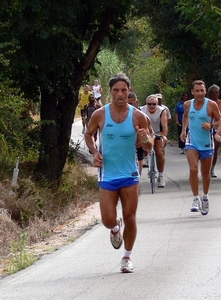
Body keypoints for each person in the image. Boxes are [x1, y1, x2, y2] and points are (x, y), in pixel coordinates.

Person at [84, 73, 153, 273]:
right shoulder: (100, 114)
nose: (120, 94)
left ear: (129, 91)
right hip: (107, 174)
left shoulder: (139, 117)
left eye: (124, 90)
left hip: (130, 174)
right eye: (116, 90)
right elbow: (88, 135)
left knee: (130, 216)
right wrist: (95, 152)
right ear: (110, 92)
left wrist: (146, 138)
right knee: (107, 220)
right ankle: (115, 228)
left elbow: (149, 147)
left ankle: (127, 257)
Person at [180, 80, 221, 215]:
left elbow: (220, 121)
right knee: (193, 169)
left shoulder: (211, 105)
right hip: (192, 141)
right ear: (192, 92)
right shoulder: (187, 104)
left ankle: (205, 196)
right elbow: (186, 117)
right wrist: (184, 130)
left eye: (202, 90)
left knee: (205, 173)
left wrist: (211, 125)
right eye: (197, 91)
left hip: (207, 143)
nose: (199, 93)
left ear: (205, 91)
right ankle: (195, 198)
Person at [140, 94, 169, 188]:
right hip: (146, 133)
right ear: (146, 104)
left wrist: (164, 136)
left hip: (157, 133)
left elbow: (164, 125)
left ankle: (161, 176)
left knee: (159, 153)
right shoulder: (141, 110)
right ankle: (145, 158)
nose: (152, 106)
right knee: (141, 146)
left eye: (154, 104)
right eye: (149, 104)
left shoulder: (162, 111)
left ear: (157, 104)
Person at [127, 92, 154, 176]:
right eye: (126, 103)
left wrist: (146, 139)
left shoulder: (143, 116)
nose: (128, 106)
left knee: (136, 176)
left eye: (130, 103)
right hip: (124, 148)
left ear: (136, 102)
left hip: (139, 146)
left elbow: (151, 134)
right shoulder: (119, 116)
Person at [207, 84, 221, 178]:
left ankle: (212, 168)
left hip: (217, 128)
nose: (217, 94)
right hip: (206, 128)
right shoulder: (206, 103)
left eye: (218, 92)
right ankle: (205, 167)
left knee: (215, 149)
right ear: (210, 94)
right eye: (215, 92)